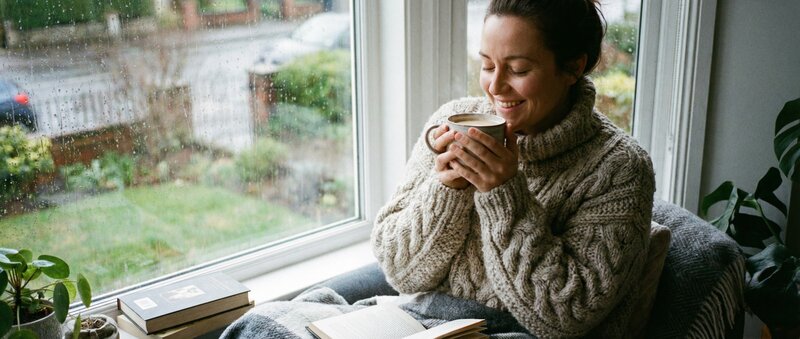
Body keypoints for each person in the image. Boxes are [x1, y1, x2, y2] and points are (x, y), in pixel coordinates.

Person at [371, 0, 656, 337]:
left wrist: (503, 194)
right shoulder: (451, 122)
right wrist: (446, 192)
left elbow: (567, 314)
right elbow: (400, 273)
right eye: (487, 65)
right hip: (419, 321)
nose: (495, 86)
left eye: (518, 70)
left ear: (572, 68)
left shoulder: (619, 167)